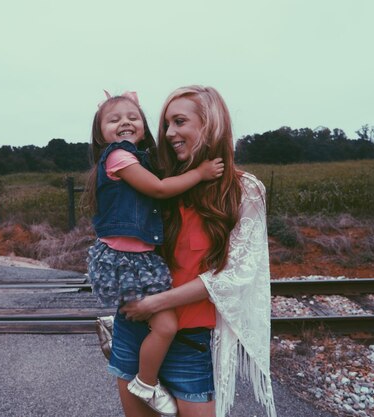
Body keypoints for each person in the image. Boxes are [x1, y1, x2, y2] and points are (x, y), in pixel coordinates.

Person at [115, 85, 277, 417]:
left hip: (189, 341)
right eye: (165, 125)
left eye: (179, 122)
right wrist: (125, 113)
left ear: (210, 124)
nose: (170, 133)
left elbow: (234, 277)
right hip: (134, 332)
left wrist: (156, 303)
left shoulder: (244, 191)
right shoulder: (158, 182)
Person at [85, 91, 224, 416]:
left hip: (184, 325)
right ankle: (145, 384)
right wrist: (201, 173)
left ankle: (144, 381)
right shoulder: (121, 158)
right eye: (114, 119)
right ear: (100, 131)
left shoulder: (143, 161)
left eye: (133, 117)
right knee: (165, 326)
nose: (125, 123)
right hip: (132, 271)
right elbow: (160, 190)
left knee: (165, 325)